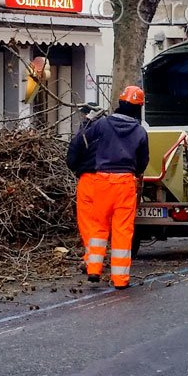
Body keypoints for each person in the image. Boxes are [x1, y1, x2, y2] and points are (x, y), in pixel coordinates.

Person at [66, 85, 149, 289]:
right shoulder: (140, 131)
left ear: (120, 103)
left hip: (101, 180)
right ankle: (120, 280)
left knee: (98, 225)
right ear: (139, 108)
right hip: (125, 183)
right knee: (122, 230)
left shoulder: (103, 124)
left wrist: (87, 121)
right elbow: (142, 162)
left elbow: (83, 139)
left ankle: (94, 269)